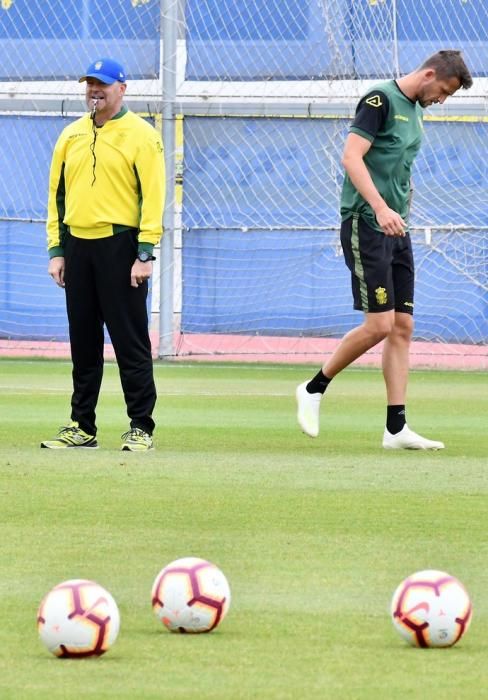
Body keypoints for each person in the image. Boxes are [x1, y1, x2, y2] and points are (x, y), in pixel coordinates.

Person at [296, 50, 472, 450]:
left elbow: (401, 169)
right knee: (379, 325)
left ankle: (396, 429)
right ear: (429, 74)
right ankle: (313, 387)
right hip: (366, 222)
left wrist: (403, 205)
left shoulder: (417, 112)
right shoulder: (379, 100)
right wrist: (379, 206)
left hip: (396, 229)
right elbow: (351, 157)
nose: (442, 100)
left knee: (403, 327)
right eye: (443, 91)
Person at [41, 58, 165, 451]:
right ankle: (82, 426)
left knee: (130, 342)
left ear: (122, 89)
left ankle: (141, 427)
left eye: (104, 85)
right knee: (84, 342)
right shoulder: (71, 135)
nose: (95, 91)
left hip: (120, 246)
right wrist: (57, 250)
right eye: (90, 84)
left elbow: (153, 196)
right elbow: (56, 197)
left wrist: (145, 253)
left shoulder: (142, 135)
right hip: (77, 246)